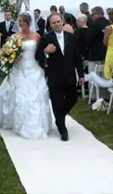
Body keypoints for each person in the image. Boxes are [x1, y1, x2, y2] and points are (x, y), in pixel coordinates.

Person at [0, 12, 52, 140]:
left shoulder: (37, 36)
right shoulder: (15, 36)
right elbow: (8, 52)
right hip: (19, 68)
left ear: (29, 22)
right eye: (19, 21)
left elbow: (39, 54)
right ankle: (16, 122)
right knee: (18, 95)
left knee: (35, 96)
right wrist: (12, 58)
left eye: (23, 21)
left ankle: (37, 124)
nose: (20, 23)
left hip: (33, 68)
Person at [36, 13, 85, 141]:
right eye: (53, 23)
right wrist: (46, 52)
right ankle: (62, 129)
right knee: (56, 103)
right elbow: (37, 56)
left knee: (73, 98)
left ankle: (60, 116)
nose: (56, 24)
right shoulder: (46, 38)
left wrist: (81, 75)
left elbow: (77, 58)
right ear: (50, 25)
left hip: (69, 76)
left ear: (62, 21)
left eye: (58, 21)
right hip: (54, 76)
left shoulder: (72, 38)